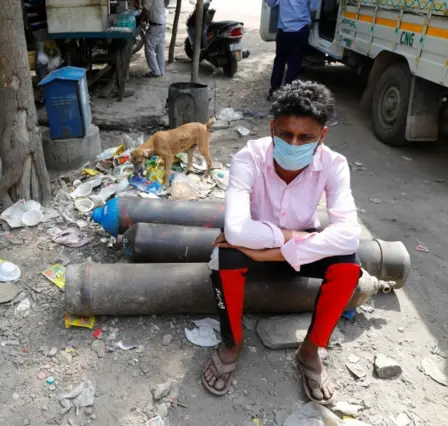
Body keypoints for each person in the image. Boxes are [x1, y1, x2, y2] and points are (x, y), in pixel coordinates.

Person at [202, 80, 361, 404]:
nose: (294, 143)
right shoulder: (249, 158)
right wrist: (287, 241)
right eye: (286, 134)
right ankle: (231, 342)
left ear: (322, 136)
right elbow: (235, 229)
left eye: (306, 137)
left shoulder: (334, 164)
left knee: (349, 266)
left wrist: (276, 252)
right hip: (259, 243)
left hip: (279, 244)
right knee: (225, 258)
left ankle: (311, 350)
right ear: (273, 128)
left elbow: (349, 234)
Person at [266, 0, 320, 100]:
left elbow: (271, 3)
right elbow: (313, 7)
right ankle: (288, 94)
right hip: (301, 30)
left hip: (284, 31)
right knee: (294, 62)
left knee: (279, 61)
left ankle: (274, 90)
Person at [142, 0, 167, 77]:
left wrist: (140, 19)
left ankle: (155, 71)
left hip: (155, 25)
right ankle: (161, 70)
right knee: (160, 48)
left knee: (149, 49)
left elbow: (146, 9)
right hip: (162, 23)